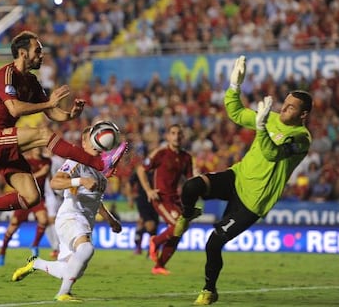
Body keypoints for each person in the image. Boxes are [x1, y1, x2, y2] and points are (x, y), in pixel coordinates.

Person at [0, 30, 127, 243]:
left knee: (32, 197)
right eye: (37, 51)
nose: (41, 55)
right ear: (22, 53)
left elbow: (51, 112)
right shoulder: (6, 74)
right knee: (42, 134)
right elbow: (14, 109)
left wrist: (69, 115)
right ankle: (98, 162)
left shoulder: (31, 81)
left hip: (6, 145)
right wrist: (49, 103)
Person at [174, 55, 313, 305]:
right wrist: (234, 86)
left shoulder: (301, 138)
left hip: (253, 200)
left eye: (292, 107)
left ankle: (209, 290)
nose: (284, 108)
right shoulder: (270, 118)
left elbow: (272, 154)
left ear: (303, 115)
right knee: (192, 185)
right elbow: (236, 113)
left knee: (214, 242)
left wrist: (260, 128)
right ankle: (186, 215)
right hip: (237, 176)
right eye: (286, 103)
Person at [11, 125, 123, 302]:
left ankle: (36, 263)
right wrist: (80, 181)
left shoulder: (101, 174)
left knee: (71, 269)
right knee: (86, 249)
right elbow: (55, 182)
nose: (95, 144)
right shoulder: (75, 162)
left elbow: (95, 201)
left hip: (84, 221)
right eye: (90, 140)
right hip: (70, 217)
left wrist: (111, 219)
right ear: (84, 143)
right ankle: (63, 293)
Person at [136, 124, 198, 275]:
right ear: (168, 137)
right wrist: (148, 190)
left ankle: (159, 265)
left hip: (175, 199)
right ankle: (155, 241)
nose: (176, 136)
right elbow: (141, 169)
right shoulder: (161, 153)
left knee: (180, 230)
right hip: (161, 197)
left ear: (183, 137)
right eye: (173, 133)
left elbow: (190, 182)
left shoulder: (186, 157)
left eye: (179, 133)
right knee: (178, 225)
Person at [0, 147, 51, 266]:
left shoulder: (47, 161)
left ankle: (35, 245)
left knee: (44, 220)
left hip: (38, 198)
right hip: (24, 197)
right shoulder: (26, 162)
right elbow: (24, 180)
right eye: (36, 147)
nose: (38, 150)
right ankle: (2, 252)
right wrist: (40, 173)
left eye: (40, 147)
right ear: (31, 149)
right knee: (13, 226)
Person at [126, 169, 158, 255]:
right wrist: (130, 198)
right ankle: (146, 249)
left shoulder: (159, 169)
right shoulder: (142, 170)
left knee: (152, 226)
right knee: (150, 225)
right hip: (143, 200)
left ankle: (150, 250)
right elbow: (130, 183)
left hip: (156, 201)